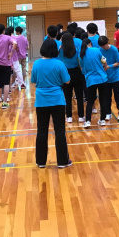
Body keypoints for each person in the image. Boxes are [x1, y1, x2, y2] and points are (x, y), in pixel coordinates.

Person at [32, 39, 72, 168]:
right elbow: (67, 81)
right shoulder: (59, 64)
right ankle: (62, 161)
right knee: (60, 131)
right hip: (57, 100)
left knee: (41, 131)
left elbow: (34, 80)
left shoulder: (36, 64)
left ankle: (40, 161)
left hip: (41, 100)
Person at [80, 38, 109, 128]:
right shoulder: (96, 50)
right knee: (102, 100)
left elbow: (82, 68)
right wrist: (105, 67)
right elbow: (104, 61)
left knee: (90, 101)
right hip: (102, 78)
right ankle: (102, 120)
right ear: (90, 44)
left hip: (91, 80)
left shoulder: (81, 54)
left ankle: (88, 121)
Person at [58, 32, 85, 123]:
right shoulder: (76, 49)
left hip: (65, 74)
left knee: (67, 97)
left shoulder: (60, 50)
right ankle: (81, 116)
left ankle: (69, 116)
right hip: (76, 73)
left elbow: (60, 61)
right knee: (79, 96)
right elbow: (80, 61)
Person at [100, 36, 119, 121]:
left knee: (118, 96)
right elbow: (102, 60)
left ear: (107, 42)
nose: (103, 47)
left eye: (104, 45)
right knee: (107, 96)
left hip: (116, 76)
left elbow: (118, 62)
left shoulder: (114, 49)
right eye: (102, 46)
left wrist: (109, 66)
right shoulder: (100, 50)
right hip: (106, 77)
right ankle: (108, 113)